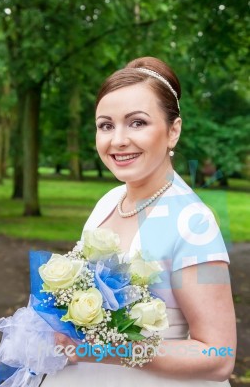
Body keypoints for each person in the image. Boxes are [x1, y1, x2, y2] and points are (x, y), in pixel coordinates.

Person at [41, 57, 236, 386]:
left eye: (137, 123)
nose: (117, 140)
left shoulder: (192, 222)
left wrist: (102, 351)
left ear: (173, 131)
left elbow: (218, 356)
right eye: (106, 125)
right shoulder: (108, 202)